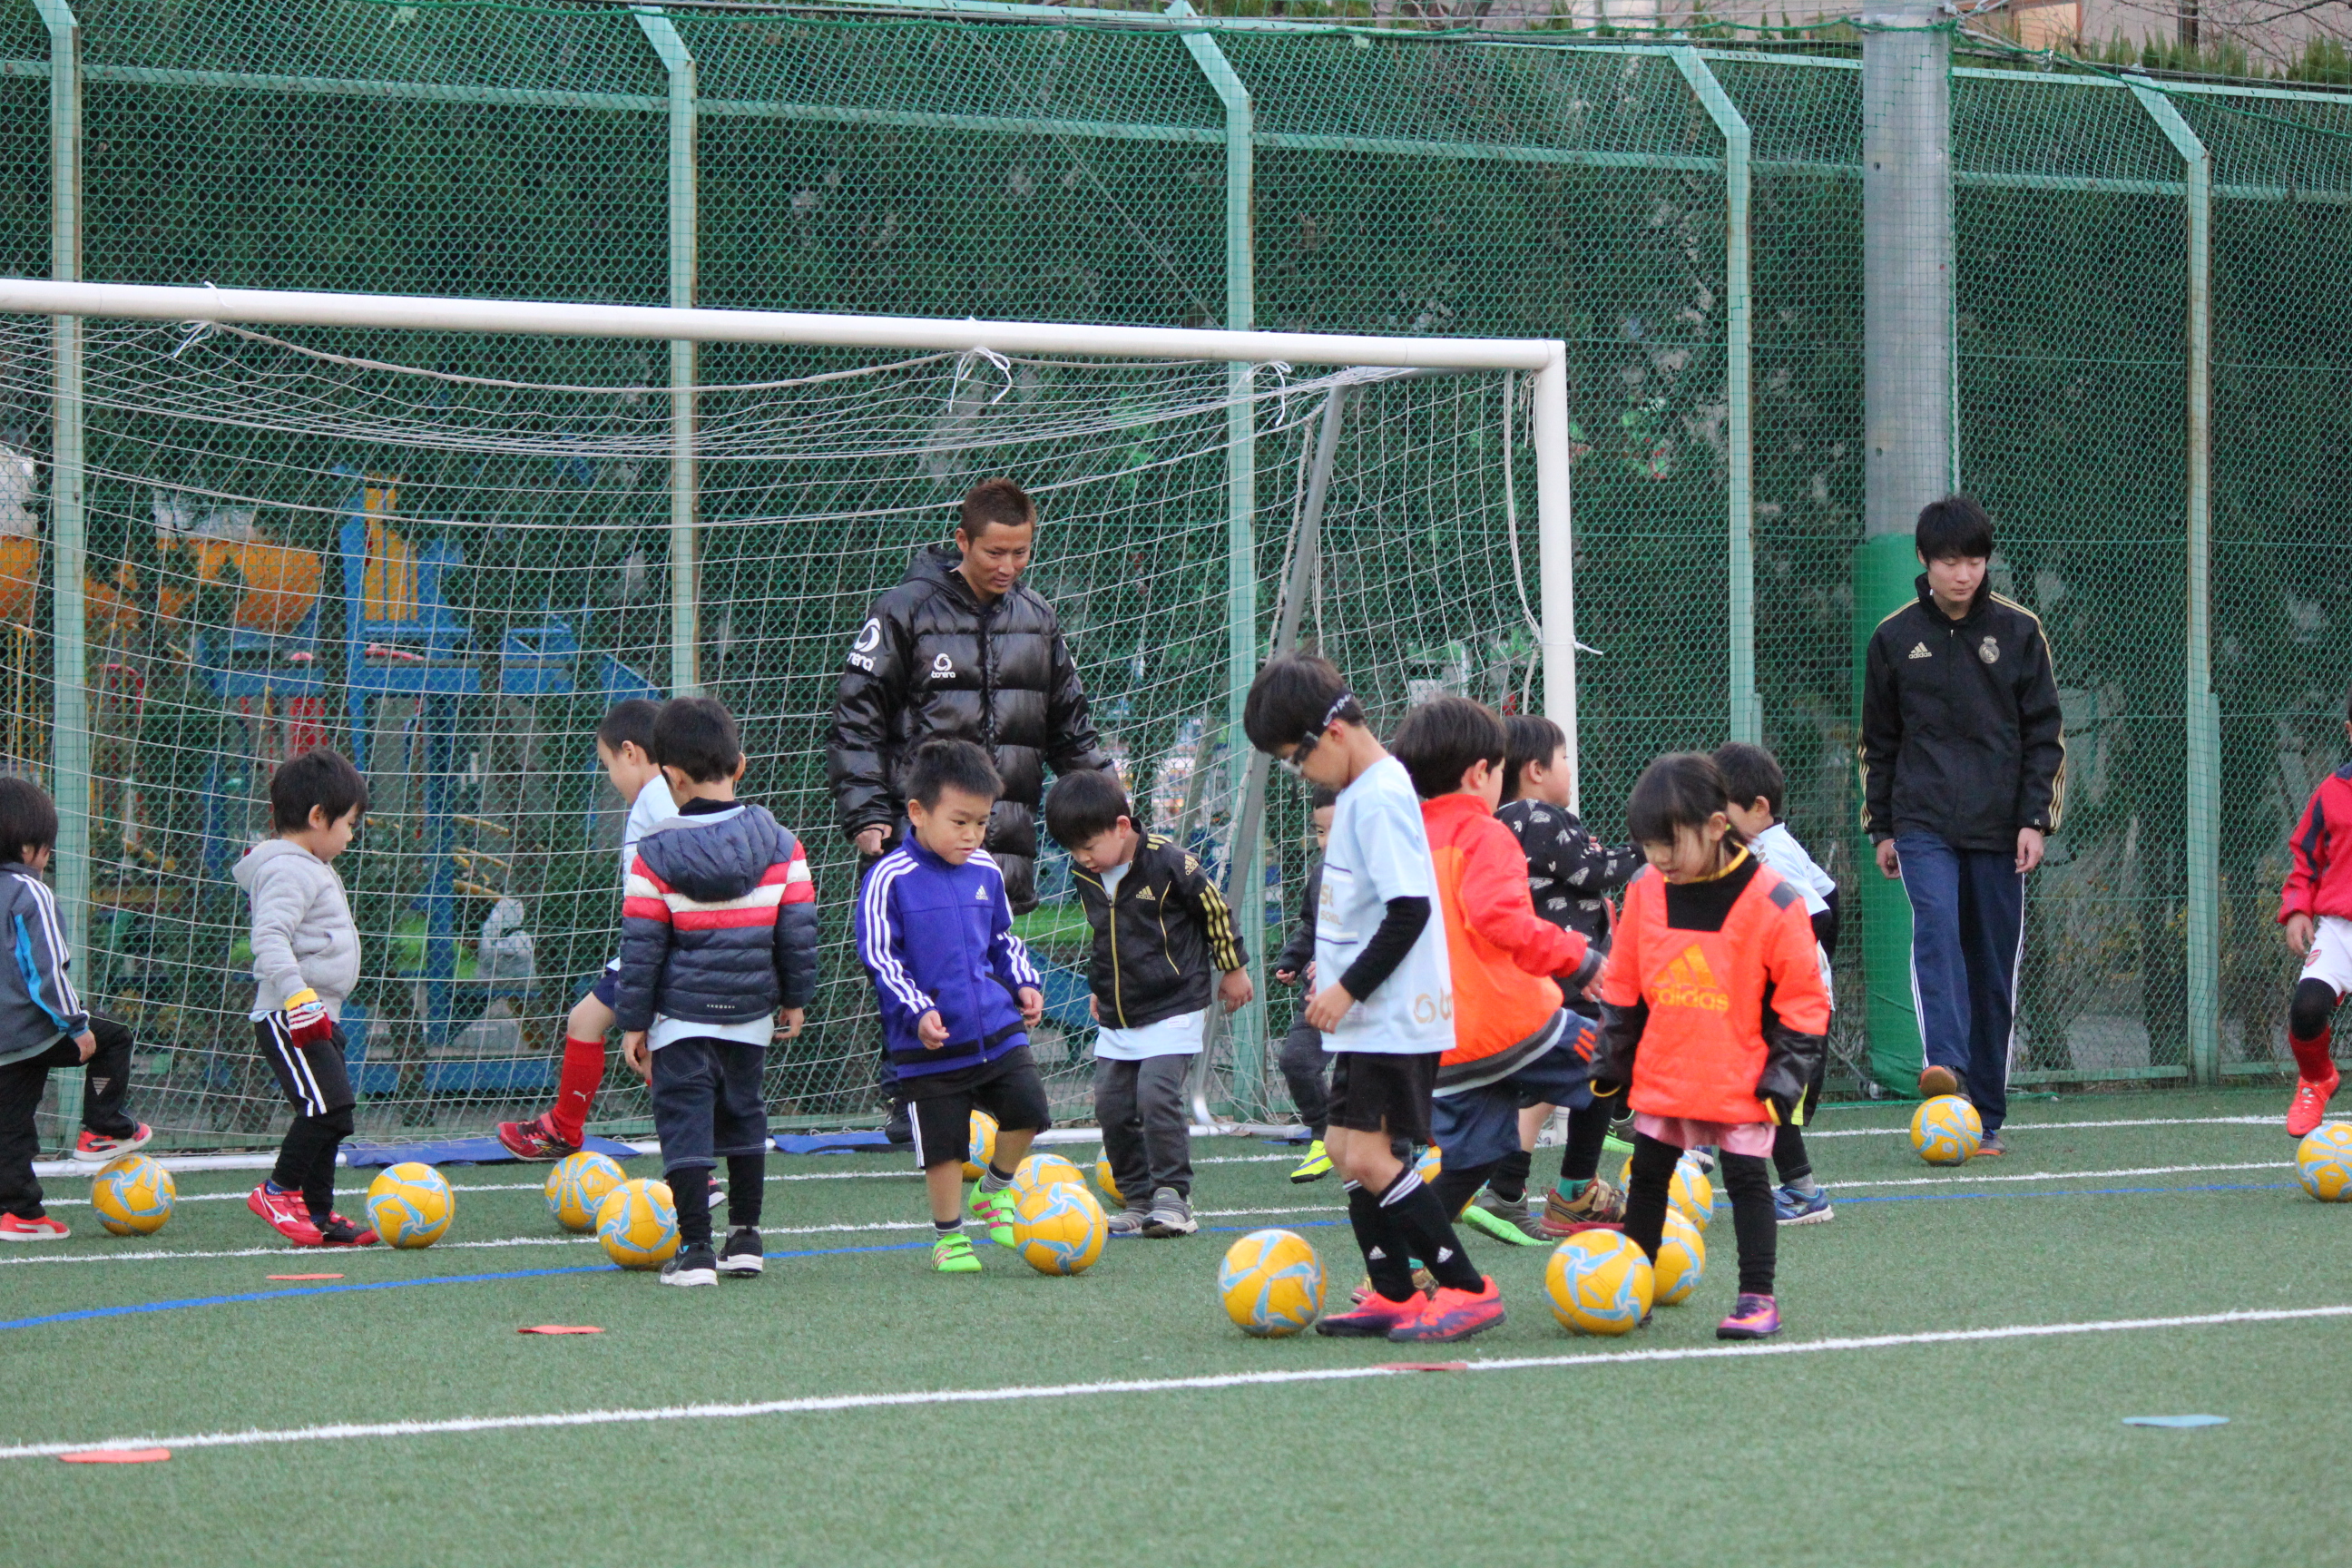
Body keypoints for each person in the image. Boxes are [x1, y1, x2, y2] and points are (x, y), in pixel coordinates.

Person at [1242, 653, 1497, 1345]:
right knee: (1343, 1147)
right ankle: (1391, 1293)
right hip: (1366, 1017)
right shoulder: (1360, 794)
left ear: (1331, 734)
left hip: (1392, 1016)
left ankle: (1467, 1288)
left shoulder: (1382, 795)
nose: (1299, 775)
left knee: (1369, 1157)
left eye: (1294, 759)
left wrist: (1348, 986)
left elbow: (1410, 911)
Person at [1592, 753, 1830, 1341]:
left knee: (1748, 1180)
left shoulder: (1773, 900)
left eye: (1671, 844)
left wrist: (1783, 1080)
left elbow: (1804, 1001)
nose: (1659, 859)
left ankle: (1756, 1297)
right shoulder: (1648, 889)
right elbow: (1622, 982)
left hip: (1741, 1074)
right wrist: (1612, 1059)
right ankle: (1635, 1285)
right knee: (1647, 1178)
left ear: (1718, 828)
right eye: (1650, 846)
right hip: (1667, 1068)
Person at [1860, 495, 2064, 1155]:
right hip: (1921, 823)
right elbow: (1878, 742)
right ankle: (1944, 1071)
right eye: (1951, 560)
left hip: (2002, 829)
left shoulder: (2019, 631)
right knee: (1938, 930)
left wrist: (2035, 820)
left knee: (1992, 965)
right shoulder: (1893, 637)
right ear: (1924, 561)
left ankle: (1987, 1117)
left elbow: (2046, 737)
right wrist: (1882, 827)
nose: (1964, 573)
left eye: (1975, 560)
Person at [1387, 698, 1617, 1258]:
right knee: (1620, 1056)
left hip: (1445, 1038)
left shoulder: (1406, 840)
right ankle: (1577, 1192)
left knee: (1474, 1158)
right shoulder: (1485, 835)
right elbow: (1499, 919)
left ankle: (1399, 1270)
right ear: (1479, 773)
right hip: (1512, 1021)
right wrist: (1579, 958)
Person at [828, 477, 1112, 914]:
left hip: (1003, 865)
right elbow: (856, 721)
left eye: (1020, 553)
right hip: (916, 857)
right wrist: (866, 815)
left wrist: (1114, 816)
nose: (1008, 566)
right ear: (963, 540)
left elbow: (1073, 735)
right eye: (994, 552)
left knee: (1002, 982)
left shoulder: (1039, 619)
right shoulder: (903, 612)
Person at [613, 698, 818, 1288]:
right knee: (745, 1117)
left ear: (671, 777)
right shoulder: (784, 845)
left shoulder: (654, 852)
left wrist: (635, 1020)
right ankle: (747, 1240)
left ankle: (697, 1251)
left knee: (685, 1126)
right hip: (751, 1015)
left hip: (680, 1019)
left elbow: (643, 944)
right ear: (741, 765)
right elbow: (798, 930)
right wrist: (795, 997)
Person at [854, 740, 1050, 1275]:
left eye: (982, 823)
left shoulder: (985, 868)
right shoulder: (888, 879)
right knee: (944, 1148)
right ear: (917, 813)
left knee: (1031, 1109)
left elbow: (1003, 940)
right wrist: (918, 1010)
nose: (973, 835)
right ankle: (950, 1237)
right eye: (960, 822)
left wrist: (1023, 983)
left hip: (995, 1026)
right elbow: (879, 956)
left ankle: (996, 1188)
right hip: (927, 1043)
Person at [1044, 768, 1251, 1240]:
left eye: (1089, 847)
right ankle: (1137, 1198)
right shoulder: (1087, 871)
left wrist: (1233, 967)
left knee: (1157, 1095)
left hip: (1175, 1002)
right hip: (1120, 1012)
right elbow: (1107, 937)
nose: (1082, 859)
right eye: (1073, 851)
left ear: (1122, 826)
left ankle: (1173, 1198)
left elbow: (1214, 910)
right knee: (1111, 1105)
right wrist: (1102, 987)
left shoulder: (1171, 863)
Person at [497, 699, 677, 1160]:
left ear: (631, 753)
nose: (611, 778)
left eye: (608, 764)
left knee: (591, 1024)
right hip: (656, 945)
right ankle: (689, 1154)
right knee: (648, 1050)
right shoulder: (664, 794)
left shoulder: (655, 797)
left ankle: (565, 1129)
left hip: (655, 948)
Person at [1485, 713, 1644, 1228]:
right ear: (1535, 769)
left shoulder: (1497, 822)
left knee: (1542, 1075)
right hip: (1568, 973)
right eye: (1564, 758)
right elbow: (1592, 869)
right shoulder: (1536, 816)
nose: (1569, 768)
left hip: (1531, 974)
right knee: (1601, 1067)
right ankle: (1570, 1190)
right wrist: (1654, 850)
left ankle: (1510, 1185)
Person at [0, 778, 152, 1241]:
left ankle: (19, 1215)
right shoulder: (30, 892)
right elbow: (44, 967)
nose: (47, 861)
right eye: (47, 850)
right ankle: (104, 1127)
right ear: (29, 847)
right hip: (35, 1029)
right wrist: (76, 1024)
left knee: (11, 1126)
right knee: (114, 1038)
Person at [236, 748, 377, 1248]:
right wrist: (297, 997)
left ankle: (319, 1214)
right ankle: (278, 1191)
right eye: (349, 823)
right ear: (318, 817)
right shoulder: (288, 869)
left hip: (317, 1012)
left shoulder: (307, 866)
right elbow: (269, 937)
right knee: (326, 1109)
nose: (351, 834)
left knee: (336, 1114)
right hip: (290, 1014)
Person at [1715, 740, 1841, 1224]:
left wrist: (1788, 978)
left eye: (1722, 812)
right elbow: (1832, 895)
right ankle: (1793, 1187)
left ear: (1758, 809)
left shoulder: (1767, 854)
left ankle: (1804, 1193)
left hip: (1791, 1009)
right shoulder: (1781, 843)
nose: (1715, 824)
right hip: (1799, 1002)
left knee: (1768, 1096)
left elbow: (1817, 914)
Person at [2279, 688, 2352, 1136]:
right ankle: (2316, 1078)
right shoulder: (2331, 791)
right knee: (2306, 1010)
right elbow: (2306, 859)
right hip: (2339, 929)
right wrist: (2297, 910)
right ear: (2349, 731)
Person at [1273, 787, 1338, 1183]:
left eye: (1338, 830)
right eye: (1319, 831)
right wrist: (1293, 961)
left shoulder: (1384, 872)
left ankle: (1412, 1146)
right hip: (1320, 998)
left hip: (1370, 1002)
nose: (1328, 842)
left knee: (1377, 1083)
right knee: (1296, 1061)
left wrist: (1347, 970)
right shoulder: (1321, 874)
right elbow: (1312, 926)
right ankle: (1324, 1133)